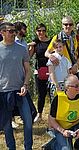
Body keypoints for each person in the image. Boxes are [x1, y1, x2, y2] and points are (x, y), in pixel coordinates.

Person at [0, 22, 32, 150]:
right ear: (2, 33)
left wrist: (25, 84)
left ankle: (28, 147)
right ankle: (11, 147)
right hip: (3, 91)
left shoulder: (21, 48)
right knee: (7, 125)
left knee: (28, 121)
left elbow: (28, 70)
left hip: (20, 90)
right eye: (10, 31)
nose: (14, 33)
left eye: (14, 31)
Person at [47, 74, 79, 149]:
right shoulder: (58, 99)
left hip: (76, 125)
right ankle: (52, 145)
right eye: (76, 86)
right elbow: (51, 119)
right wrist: (63, 131)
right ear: (67, 87)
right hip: (61, 128)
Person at [28, 23, 51, 122]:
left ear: (46, 31)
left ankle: (53, 115)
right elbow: (29, 56)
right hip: (39, 71)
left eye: (43, 30)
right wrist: (30, 46)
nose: (41, 33)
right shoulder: (35, 43)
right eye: (39, 31)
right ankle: (40, 114)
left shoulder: (50, 41)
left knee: (52, 94)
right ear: (36, 32)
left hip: (51, 70)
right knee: (41, 94)